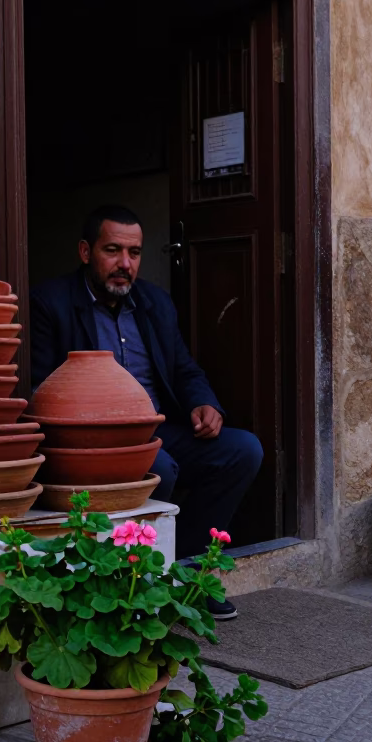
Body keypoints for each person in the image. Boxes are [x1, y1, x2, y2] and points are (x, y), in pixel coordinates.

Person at [30, 204, 263, 620]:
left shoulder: (155, 302)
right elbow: (40, 386)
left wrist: (203, 402)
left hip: (158, 427)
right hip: (98, 439)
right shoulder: (51, 302)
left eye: (134, 253)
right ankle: (137, 582)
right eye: (113, 250)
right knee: (162, 469)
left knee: (242, 450)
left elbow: (183, 368)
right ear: (86, 252)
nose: (124, 264)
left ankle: (188, 569)